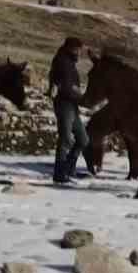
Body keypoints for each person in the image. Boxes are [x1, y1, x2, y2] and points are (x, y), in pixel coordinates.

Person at [47, 37, 90, 184]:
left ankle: (69, 169)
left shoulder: (69, 62)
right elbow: (63, 85)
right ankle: (59, 174)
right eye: (78, 49)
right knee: (65, 138)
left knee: (83, 139)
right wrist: (80, 96)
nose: (80, 52)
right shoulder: (61, 61)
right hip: (64, 105)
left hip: (72, 105)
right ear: (71, 48)